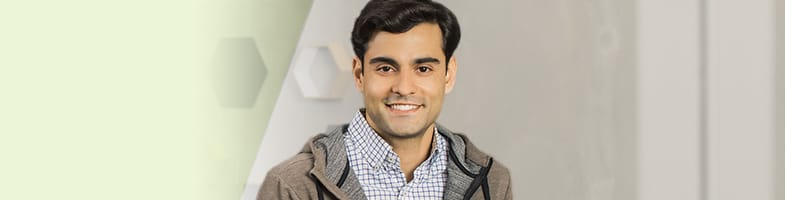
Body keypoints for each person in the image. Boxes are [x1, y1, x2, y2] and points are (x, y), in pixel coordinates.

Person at [259, 0, 511, 199]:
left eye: (423, 69)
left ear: (448, 75)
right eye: (386, 68)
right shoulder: (292, 185)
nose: (403, 88)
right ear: (359, 74)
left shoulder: (492, 181)